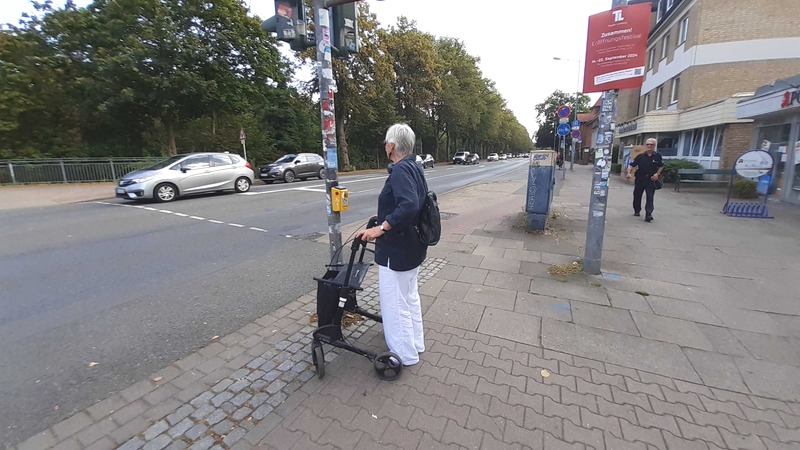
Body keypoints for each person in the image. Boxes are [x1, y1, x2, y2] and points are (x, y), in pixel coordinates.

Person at [355, 123, 427, 366]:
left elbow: (408, 206)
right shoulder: (415, 166)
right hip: (412, 246)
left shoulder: (400, 171)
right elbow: (413, 204)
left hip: (397, 249)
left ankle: (403, 356)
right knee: (409, 297)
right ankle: (416, 343)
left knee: (395, 304)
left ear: (392, 146)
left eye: (386, 142)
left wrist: (381, 227)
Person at [626, 138, 664, 222]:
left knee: (650, 197)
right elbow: (632, 165)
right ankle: (637, 210)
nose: (649, 146)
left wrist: (657, 173)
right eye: (647, 144)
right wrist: (629, 173)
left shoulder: (657, 156)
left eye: (651, 144)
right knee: (637, 195)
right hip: (640, 179)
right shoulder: (640, 156)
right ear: (645, 145)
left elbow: (661, 166)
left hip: (651, 180)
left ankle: (648, 214)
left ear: (654, 146)